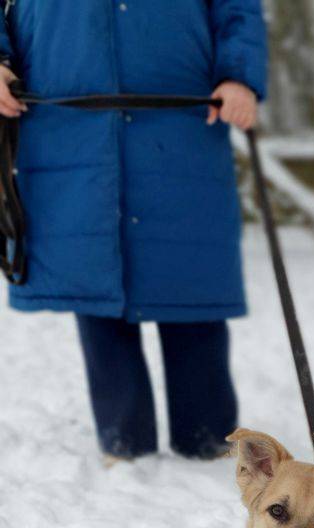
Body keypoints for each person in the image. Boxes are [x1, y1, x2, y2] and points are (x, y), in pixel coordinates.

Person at [0, 1, 267, 461]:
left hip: (183, 124)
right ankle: (124, 443)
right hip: (66, 129)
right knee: (96, 282)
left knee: (191, 276)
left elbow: (237, 6)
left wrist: (239, 76)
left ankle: (208, 440)